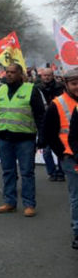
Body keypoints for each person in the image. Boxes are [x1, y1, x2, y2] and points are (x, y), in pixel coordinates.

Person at [0, 64, 45, 217]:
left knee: (27, 173)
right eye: (7, 72)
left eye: (13, 72)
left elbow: (40, 116)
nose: (9, 75)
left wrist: (42, 136)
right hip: (4, 138)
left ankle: (29, 204)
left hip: (25, 139)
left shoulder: (31, 90)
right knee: (8, 172)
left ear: (20, 74)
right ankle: (9, 202)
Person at [47, 68, 78, 249]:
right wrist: (62, 154)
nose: (77, 87)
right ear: (66, 84)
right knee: (76, 196)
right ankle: (77, 231)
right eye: (74, 84)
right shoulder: (57, 103)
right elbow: (50, 133)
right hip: (71, 157)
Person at [36, 67, 66, 181]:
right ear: (41, 76)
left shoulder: (60, 87)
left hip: (58, 121)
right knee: (46, 150)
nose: (47, 77)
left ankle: (61, 172)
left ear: (52, 75)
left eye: (49, 75)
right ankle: (51, 172)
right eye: (44, 75)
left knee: (59, 149)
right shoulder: (37, 89)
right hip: (44, 122)